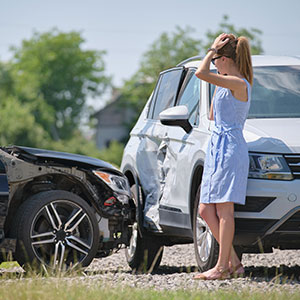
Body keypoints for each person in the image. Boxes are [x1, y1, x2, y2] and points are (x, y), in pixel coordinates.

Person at [194, 33, 253, 280]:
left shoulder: (240, 83)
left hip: (230, 149)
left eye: (216, 59)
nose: (213, 63)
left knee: (224, 210)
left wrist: (210, 50)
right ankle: (234, 263)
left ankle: (221, 267)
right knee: (205, 210)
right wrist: (218, 79)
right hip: (217, 148)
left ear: (224, 59)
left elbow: (200, 73)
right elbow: (211, 116)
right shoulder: (226, 83)